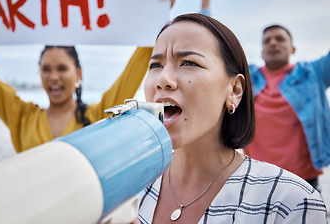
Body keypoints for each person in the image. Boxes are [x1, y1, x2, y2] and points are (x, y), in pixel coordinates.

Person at [136, 13, 327, 223]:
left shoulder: (294, 203)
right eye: (155, 65)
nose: (163, 79)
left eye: (189, 62)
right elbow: (208, 38)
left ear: (236, 90)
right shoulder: (125, 188)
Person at [0, 0, 176, 153]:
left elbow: (134, 69)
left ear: (78, 73)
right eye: (46, 69)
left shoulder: (98, 117)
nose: (53, 76)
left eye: (62, 68)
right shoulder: (22, 117)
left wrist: (154, 15)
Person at [242, 24, 330, 190]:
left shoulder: (313, 73)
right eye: (267, 41)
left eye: (280, 39)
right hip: (257, 181)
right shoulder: (248, 79)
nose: (273, 43)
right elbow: (215, 50)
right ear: (261, 52)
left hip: (304, 182)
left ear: (293, 49)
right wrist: (205, 2)